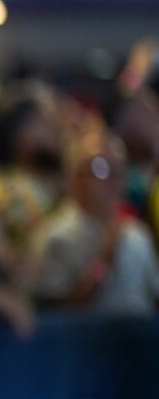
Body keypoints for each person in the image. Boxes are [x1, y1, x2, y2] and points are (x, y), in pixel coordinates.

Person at [28, 128, 159, 316]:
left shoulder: (136, 233)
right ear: (73, 176)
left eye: (119, 168)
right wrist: (102, 265)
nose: (113, 178)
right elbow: (52, 316)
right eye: (101, 169)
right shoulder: (55, 238)